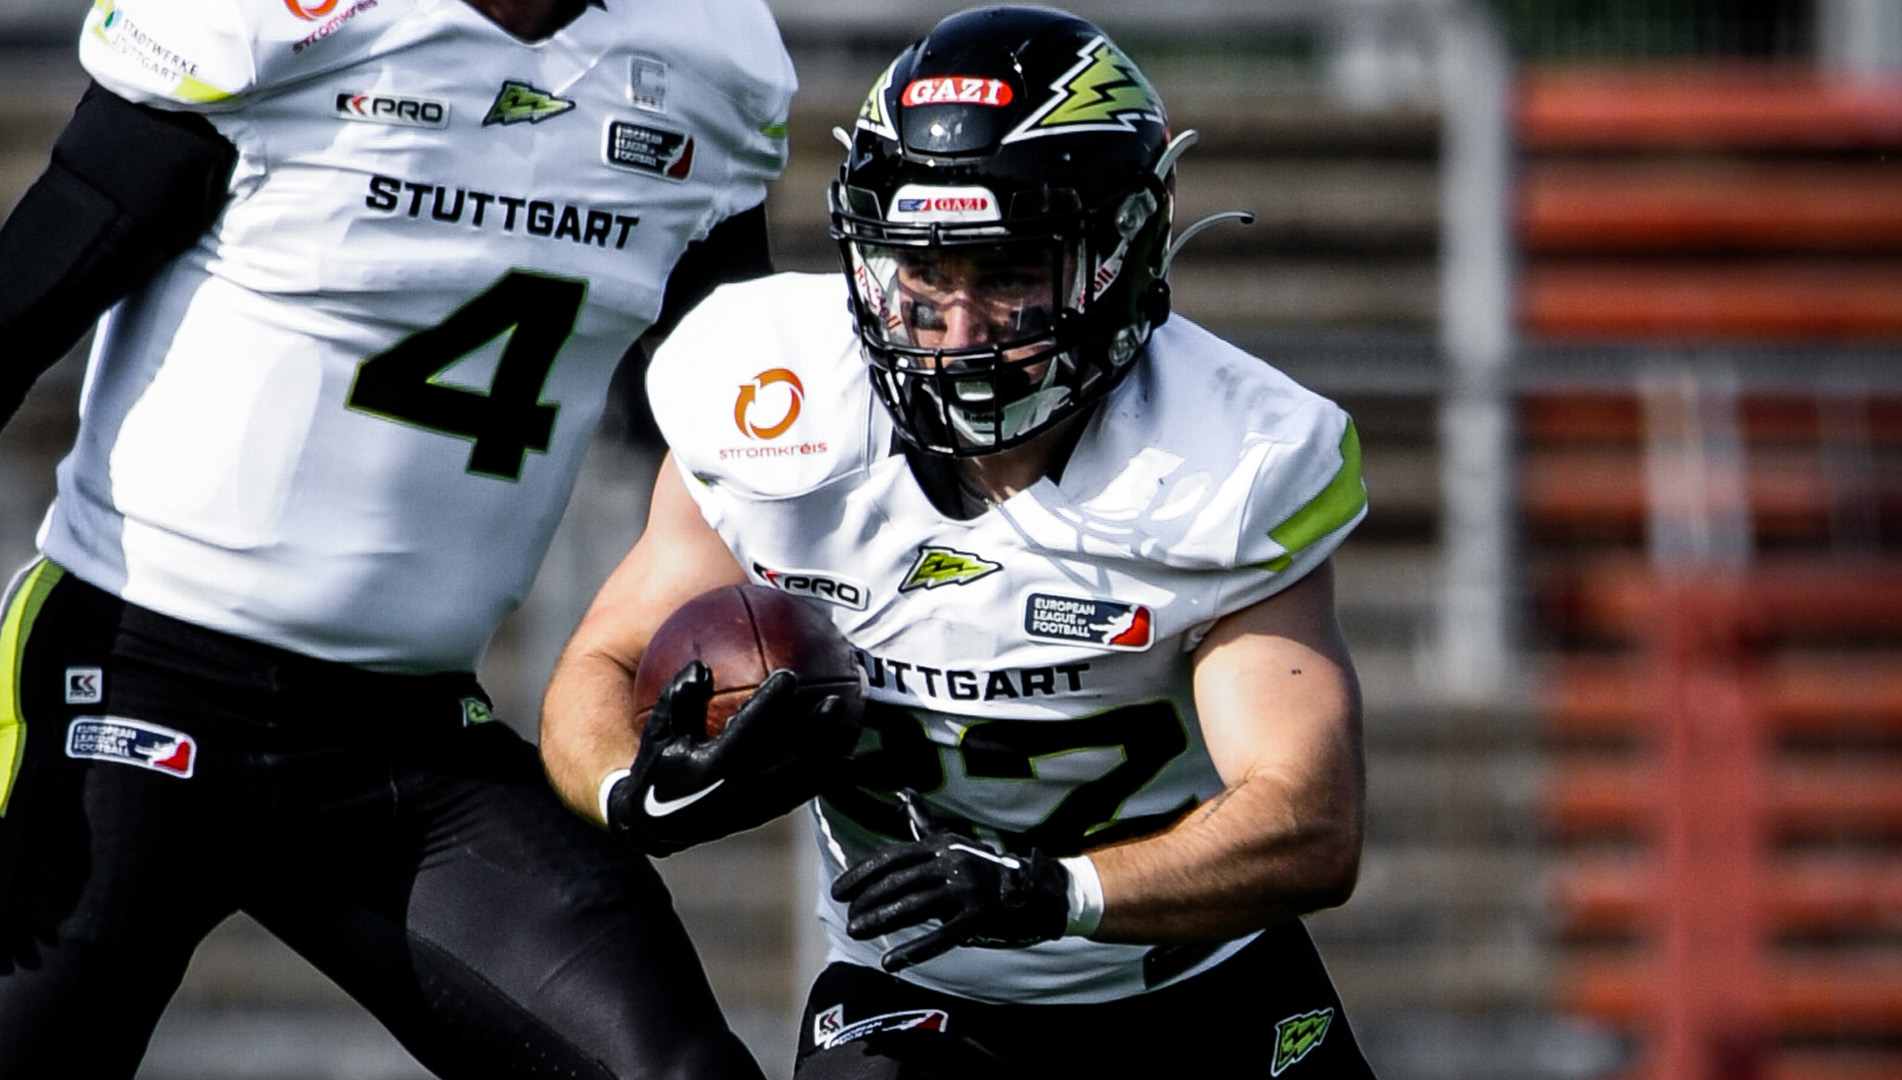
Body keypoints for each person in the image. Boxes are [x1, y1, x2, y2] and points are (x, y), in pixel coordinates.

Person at [539, 6, 1380, 1077]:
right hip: (917, 989)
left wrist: (1054, 891)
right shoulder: (769, 399)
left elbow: (1310, 820)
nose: (959, 329)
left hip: (1197, 990)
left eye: (1008, 275)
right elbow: (600, 663)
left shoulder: (1230, 458)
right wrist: (633, 786)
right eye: (923, 275)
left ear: (1122, 255)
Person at [0, 0, 828, 1074]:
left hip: (404, 734)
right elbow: (20, 305)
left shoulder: (705, 57)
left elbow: (731, 433)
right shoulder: (276, 24)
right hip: (133, 682)